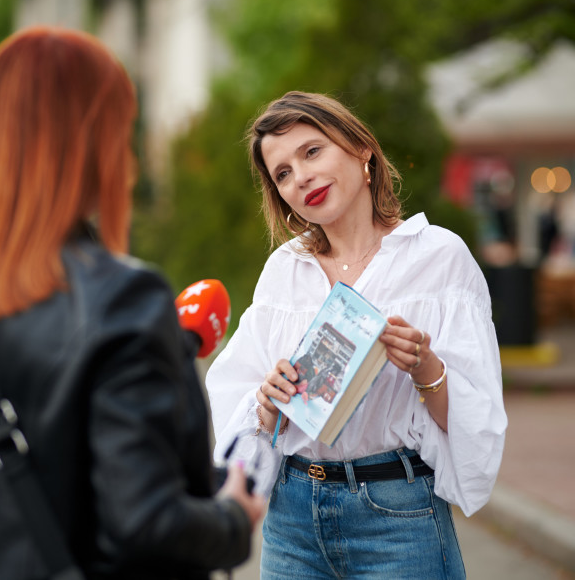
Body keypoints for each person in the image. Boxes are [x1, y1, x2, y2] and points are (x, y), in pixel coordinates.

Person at [0, 27, 264, 580]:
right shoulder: (121, 298)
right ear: (90, 141)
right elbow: (144, 523)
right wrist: (233, 518)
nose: (129, 153)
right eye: (120, 130)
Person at [206, 91, 507, 578]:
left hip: (399, 519)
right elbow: (236, 410)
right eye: (282, 173)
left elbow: (479, 420)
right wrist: (265, 402)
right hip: (292, 523)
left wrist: (425, 367)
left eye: (311, 152)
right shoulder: (285, 270)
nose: (300, 177)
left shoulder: (437, 257)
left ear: (361, 148)